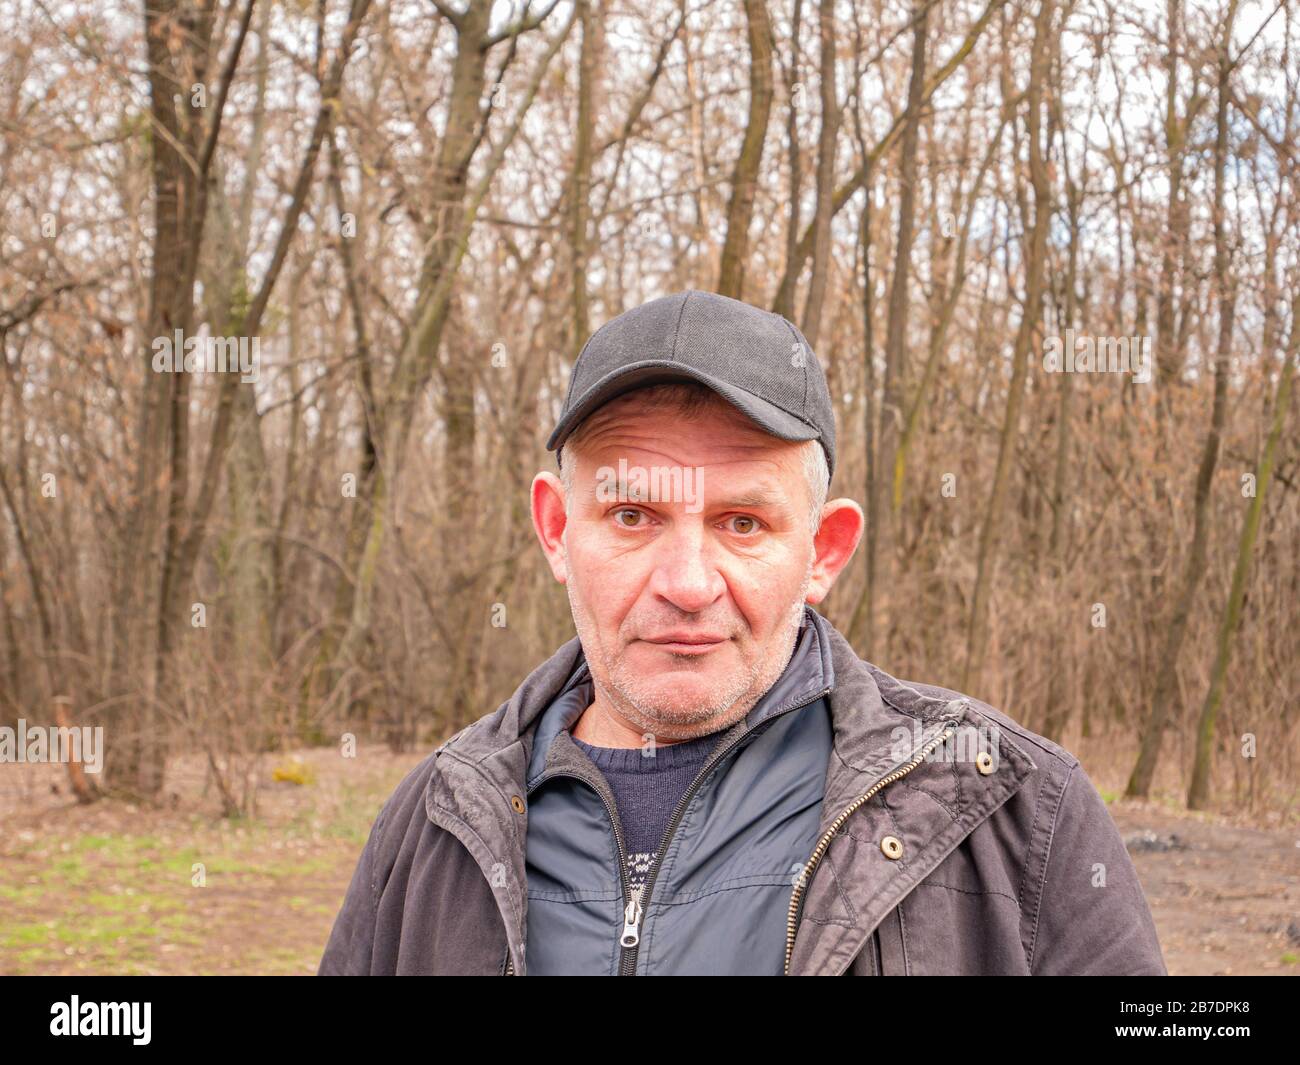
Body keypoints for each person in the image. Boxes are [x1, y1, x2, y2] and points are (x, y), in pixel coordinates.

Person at [318, 289, 1166, 975]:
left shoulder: (1013, 809)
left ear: (823, 549)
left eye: (743, 522)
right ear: (556, 530)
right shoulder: (432, 825)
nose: (687, 583)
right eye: (632, 513)